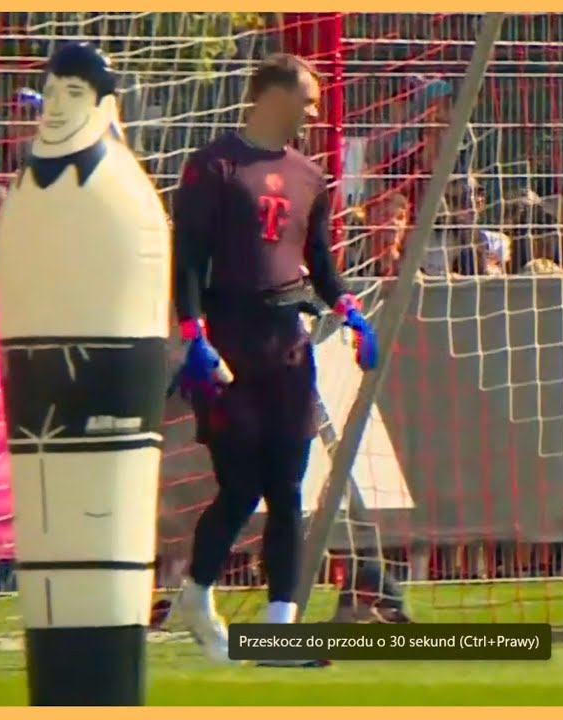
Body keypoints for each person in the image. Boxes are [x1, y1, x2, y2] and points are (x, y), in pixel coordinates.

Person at [170, 53, 379, 667]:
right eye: (308, 99)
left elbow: (317, 255)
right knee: (239, 487)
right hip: (229, 341)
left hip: (287, 340)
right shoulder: (214, 166)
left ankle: (280, 632)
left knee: (288, 490)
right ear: (274, 96)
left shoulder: (309, 174)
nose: (316, 111)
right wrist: (193, 335)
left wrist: (349, 309)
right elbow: (187, 259)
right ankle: (195, 595)